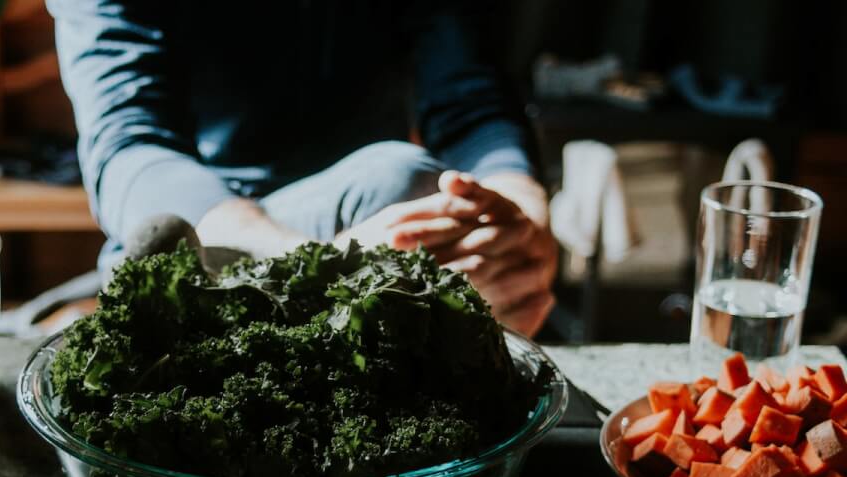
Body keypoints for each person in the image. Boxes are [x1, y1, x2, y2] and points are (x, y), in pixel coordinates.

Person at [49, 1, 558, 336]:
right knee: (402, 179)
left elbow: (469, 94)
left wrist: (520, 221)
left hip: (371, 221)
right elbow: (129, 148)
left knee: (432, 203)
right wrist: (317, 270)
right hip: (213, 237)